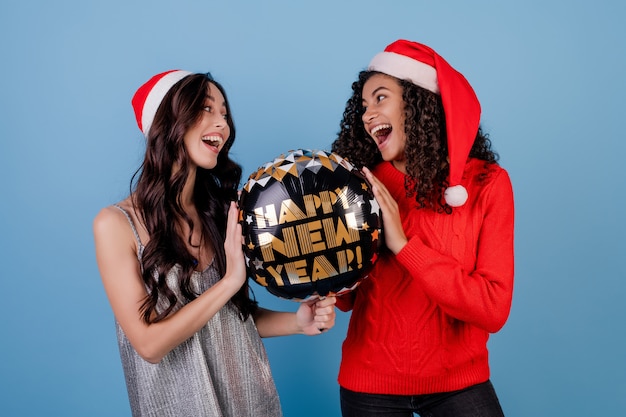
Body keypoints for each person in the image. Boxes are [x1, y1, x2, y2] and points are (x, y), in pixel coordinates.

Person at [93, 69, 336, 417]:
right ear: (168, 120)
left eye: (224, 113)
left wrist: (299, 322)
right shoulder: (116, 224)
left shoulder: (223, 213)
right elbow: (148, 344)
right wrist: (230, 282)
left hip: (253, 403)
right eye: (206, 109)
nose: (221, 123)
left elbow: (231, 317)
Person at [330, 40, 514, 416]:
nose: (368, 115)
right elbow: (346, 300)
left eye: (380, 98)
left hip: (459, 384)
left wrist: (402, 244)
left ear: (419, 104)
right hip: (370, 386)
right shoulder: (359, 186)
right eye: (363, 106)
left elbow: (493, 309)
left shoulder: (487, 185)